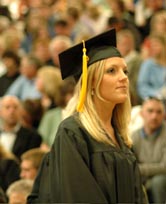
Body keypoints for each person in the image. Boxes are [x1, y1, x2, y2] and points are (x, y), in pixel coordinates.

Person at [28, 28, 145, 203]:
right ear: (90, 83)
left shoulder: (122, 139)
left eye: (125, 71)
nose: (123, 78)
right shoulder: (73, 132)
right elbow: (79, 196)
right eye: (112, 71)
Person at [131, 97, 166, 203]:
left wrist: (140, 169)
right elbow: (131, 165)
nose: (154, 116)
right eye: (150, 111)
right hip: (142, 178)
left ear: (164, 115)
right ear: (142, 113)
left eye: (159, 112)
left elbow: (164, 167)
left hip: (161, 179)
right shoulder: (134, 136)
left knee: (158, 182)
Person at [0, 95, 42, 160]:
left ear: (21, 111)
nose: (12, 111)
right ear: (0, 112)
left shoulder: (33, 136)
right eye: (7, 107)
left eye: (15, 107)